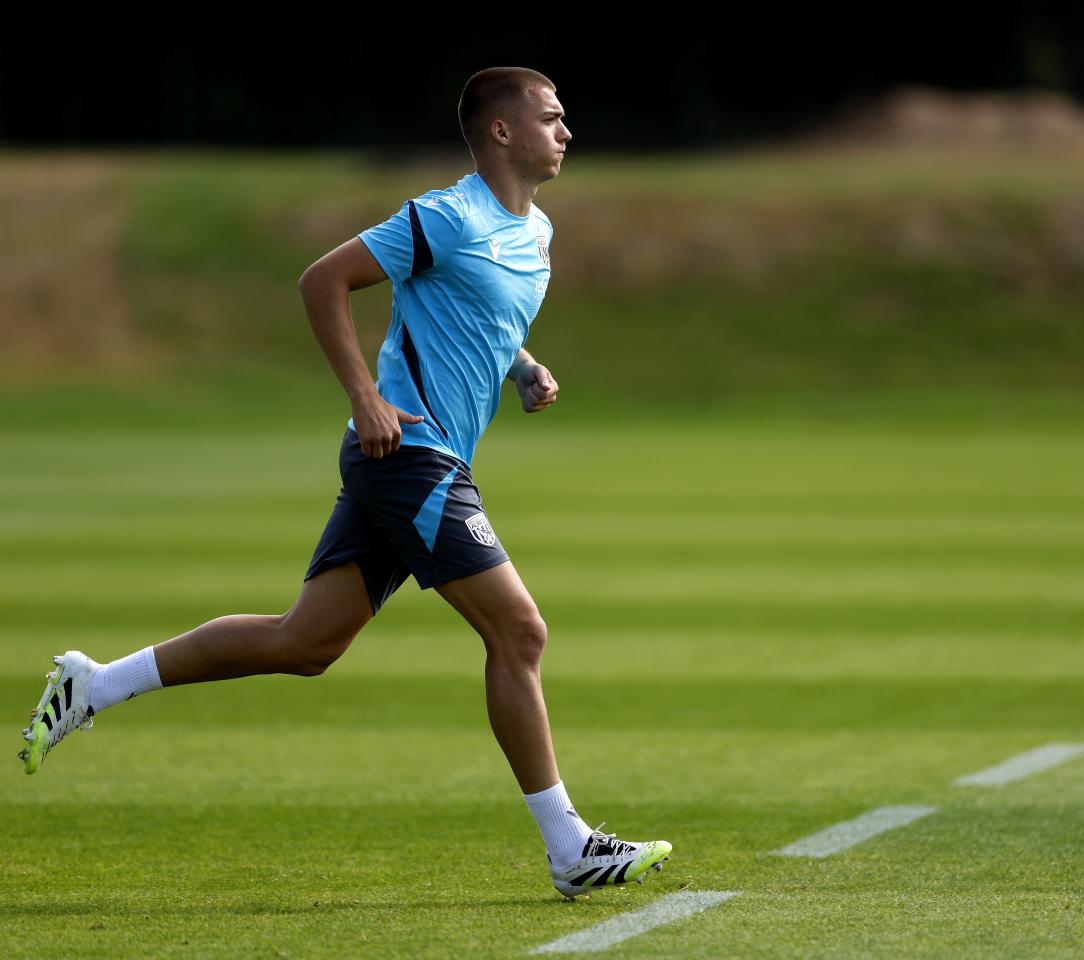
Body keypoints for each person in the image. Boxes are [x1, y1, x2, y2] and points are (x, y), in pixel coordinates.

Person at [18, 66, 670, 901]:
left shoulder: (536, 231)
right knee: (521, 633)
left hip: (419, 460)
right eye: (551, 117)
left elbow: (480, 311)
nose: (567, 131)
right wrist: (365, 396)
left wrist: (524, 367)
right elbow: (321, 280)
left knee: (305, 644)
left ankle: (95, 682)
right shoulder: (446, 215)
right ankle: (570, 847)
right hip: (409, 456)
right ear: (502, 132)